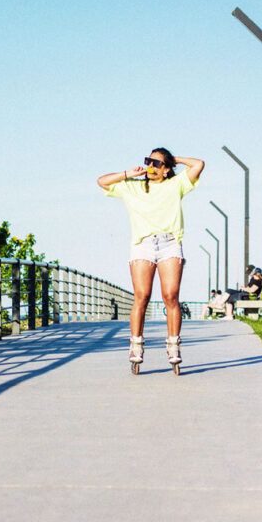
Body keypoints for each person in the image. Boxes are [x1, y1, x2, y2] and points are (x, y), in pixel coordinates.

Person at [98, 147, 205, 374]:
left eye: (156, 163)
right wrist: (127, 174)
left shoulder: (176, 185)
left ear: (166, 170)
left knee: (170, 296)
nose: (150, 166)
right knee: (142, 296)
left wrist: (173, 159)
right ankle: (136, 345)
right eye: (148, 161)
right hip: (142, 245)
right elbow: (102, 181)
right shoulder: (132, 187)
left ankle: (173, 346)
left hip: (169, 244)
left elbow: (198, 164)